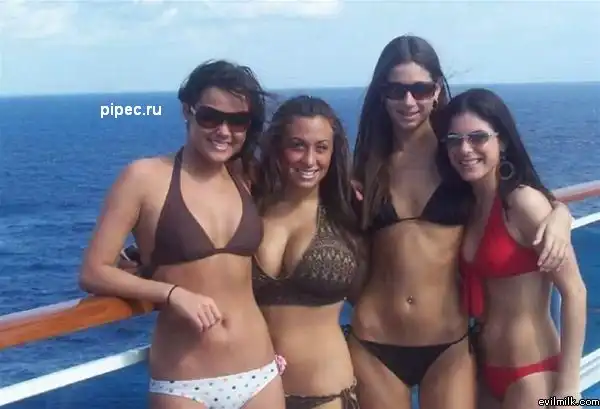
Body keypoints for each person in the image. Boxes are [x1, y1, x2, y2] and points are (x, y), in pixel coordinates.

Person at [347, 35, 574, 409]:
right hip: (375, 340)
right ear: (381, 94)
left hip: (448, 345)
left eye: (420, 89)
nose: (409, 101)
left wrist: (561, 217)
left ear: (437, 89)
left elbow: (516, 192)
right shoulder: (366, 167)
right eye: (396, 90)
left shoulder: (457, 155)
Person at [79, 60, 286, 409]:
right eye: (210, 117)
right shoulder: (143, 178)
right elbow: (93, 271)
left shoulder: (246, 177)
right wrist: (172, 293)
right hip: (186, 383)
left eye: (238, 121)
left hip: (259, 373)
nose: (224, 131)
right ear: (187, 111)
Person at [437, 87, 586, 409]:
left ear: (502, 141)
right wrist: (560, 210)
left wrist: (568, 390)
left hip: (532, 374)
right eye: (454, 140)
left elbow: (574, 292)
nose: (465, 149)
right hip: (483, 371)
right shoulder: (468, 205)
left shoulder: (522, 203)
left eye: (478, 137)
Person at [250, 95, 366, 409]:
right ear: (277, 147)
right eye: (297, 146)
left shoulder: (349, 213)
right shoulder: (247, 210)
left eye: (321, 148)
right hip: (249, 397)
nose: (310, 159)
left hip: (325, 395)